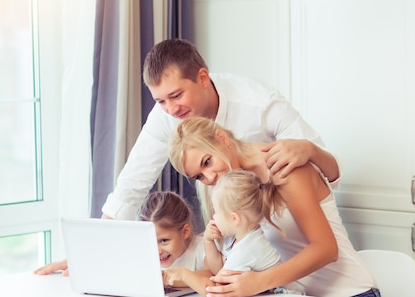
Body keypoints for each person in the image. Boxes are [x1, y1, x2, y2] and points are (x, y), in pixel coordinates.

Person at [101, 38, 341, 221]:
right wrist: (93, 249)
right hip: (232, 235)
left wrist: (309, 150)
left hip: (290, 226)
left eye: (176, 95)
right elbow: (131, 184)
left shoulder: (260, 103)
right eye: (160, 101)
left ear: (203, 78)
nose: (171, 109)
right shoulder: (164, 117)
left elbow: (331, 177)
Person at [168, 116, 383, 297]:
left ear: (223, 139)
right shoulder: (235, 191)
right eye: (199, 176)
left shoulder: (283, 167)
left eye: (207, 162)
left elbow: (327, 249)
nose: (210, 177)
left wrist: (258, 282)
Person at [163, 169, 305, 296]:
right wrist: (208, 241)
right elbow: (218, 268)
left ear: (234, 218)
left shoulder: (247, 249)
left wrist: (184, 275)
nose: (214, 217)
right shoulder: (235, 238)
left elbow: (216, 289)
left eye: (217, 212)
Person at [34, 191, 205, 275]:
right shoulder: (141, 253)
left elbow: (208, 281)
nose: (157, 250)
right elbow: (112, 263)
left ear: (185, 232)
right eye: (149, 241)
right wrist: (84, 263)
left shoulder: (201, 251)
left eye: (164, 241)